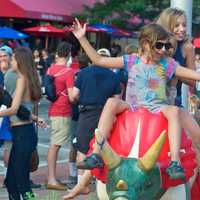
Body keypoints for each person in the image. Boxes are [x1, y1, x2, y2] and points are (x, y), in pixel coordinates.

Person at [71, 19, 200, 180]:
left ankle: (175, 161)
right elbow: (99, 60)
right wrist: (82, 38)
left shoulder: (168, 64)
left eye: (167, 46)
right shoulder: (132, 60)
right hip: (132, 107)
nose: (163, 50)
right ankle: (96, 153)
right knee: (112, 102)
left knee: (174, 110)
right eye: (159, 45)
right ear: (146, 44)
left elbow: (195, 75)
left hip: (158, 108)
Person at [0, 47, 42, 199]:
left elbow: (14, 109)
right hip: (23, 134)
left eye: (14, 58)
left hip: (23, 135)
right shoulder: (28, 78)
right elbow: (22, 109)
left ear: (20, 61)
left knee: (22, 182)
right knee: (11, 181)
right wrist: (36, 118)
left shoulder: (21, 80)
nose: (11, 61)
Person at [46, 42, 75, 190]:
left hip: (53, 110)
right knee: (55, 145)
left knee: (54, 144)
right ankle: (51, 179)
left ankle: (52, 178)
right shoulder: (69, 72)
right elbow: (71, 97)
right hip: (62, 111)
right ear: (69, 54)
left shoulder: (50, 69)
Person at [157, 7, 196, 106]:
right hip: (151, 97)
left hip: (173, 99)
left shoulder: (187, 47)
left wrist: (174, 69)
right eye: (177, 25)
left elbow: (192, 82)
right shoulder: (156, 44)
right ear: (166, 26)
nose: (182, 29)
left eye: (184, 25)